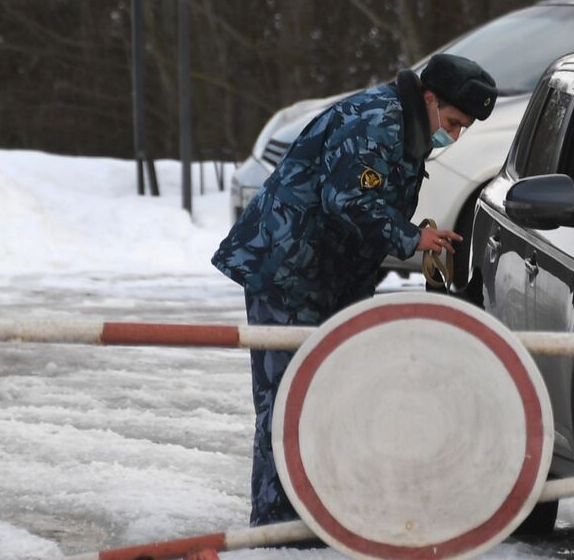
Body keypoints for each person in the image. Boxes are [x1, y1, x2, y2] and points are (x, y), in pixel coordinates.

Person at [212, 53, 498, 527]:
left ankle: (317, 514)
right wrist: (413, 237)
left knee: (327, 395)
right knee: (287, 402)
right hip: (288, 273)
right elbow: (347, 199)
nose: (456, 135)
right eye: (453, 121)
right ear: (429, 99)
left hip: (323, 277)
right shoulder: (377, 121)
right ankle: (280, 524)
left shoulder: (407, 123)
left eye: (464, 127)